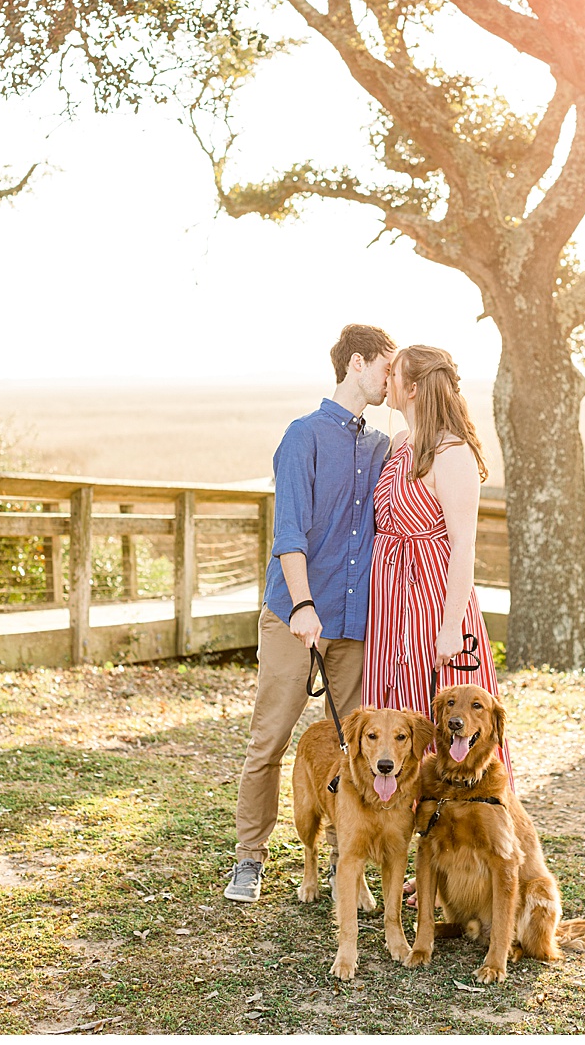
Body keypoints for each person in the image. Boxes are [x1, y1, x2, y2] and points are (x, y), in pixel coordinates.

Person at [223, 324, 394, 904]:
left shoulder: (379, 447)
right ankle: (249, 858)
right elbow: (289, 532)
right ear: (356, 364)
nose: (390, 379)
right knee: (269, 741)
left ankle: (355, 863)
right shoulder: (303, 437)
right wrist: (301, 605)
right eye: (385, 367)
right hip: (296, 617)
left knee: (361, 751)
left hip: (356, 622)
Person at [364, 344, 512, 781]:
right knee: (391, 715)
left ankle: (454, 828)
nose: (386, 378)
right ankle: (391, 820)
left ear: (411, 388)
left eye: (394, 374)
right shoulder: (398, 444)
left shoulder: (453, 453)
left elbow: (463, 546)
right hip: (389, 602)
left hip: (432, 600)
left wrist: (451, 627)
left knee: (440, 719)